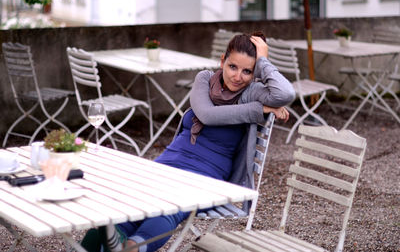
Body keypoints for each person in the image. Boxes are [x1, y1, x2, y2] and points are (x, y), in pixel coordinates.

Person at [81, 32, 295, 252]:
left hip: (207, 174)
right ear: (222, 61)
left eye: (247, 71)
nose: (238, 76)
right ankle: (92, 247)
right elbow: (207, 115)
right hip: (171, 160)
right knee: (130, 200)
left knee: (171, 205)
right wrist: (258, 110)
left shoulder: (252, 92)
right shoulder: (204, 79)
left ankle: (132, 249)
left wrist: (264, 61)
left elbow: (286, 92)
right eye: (233, 67)